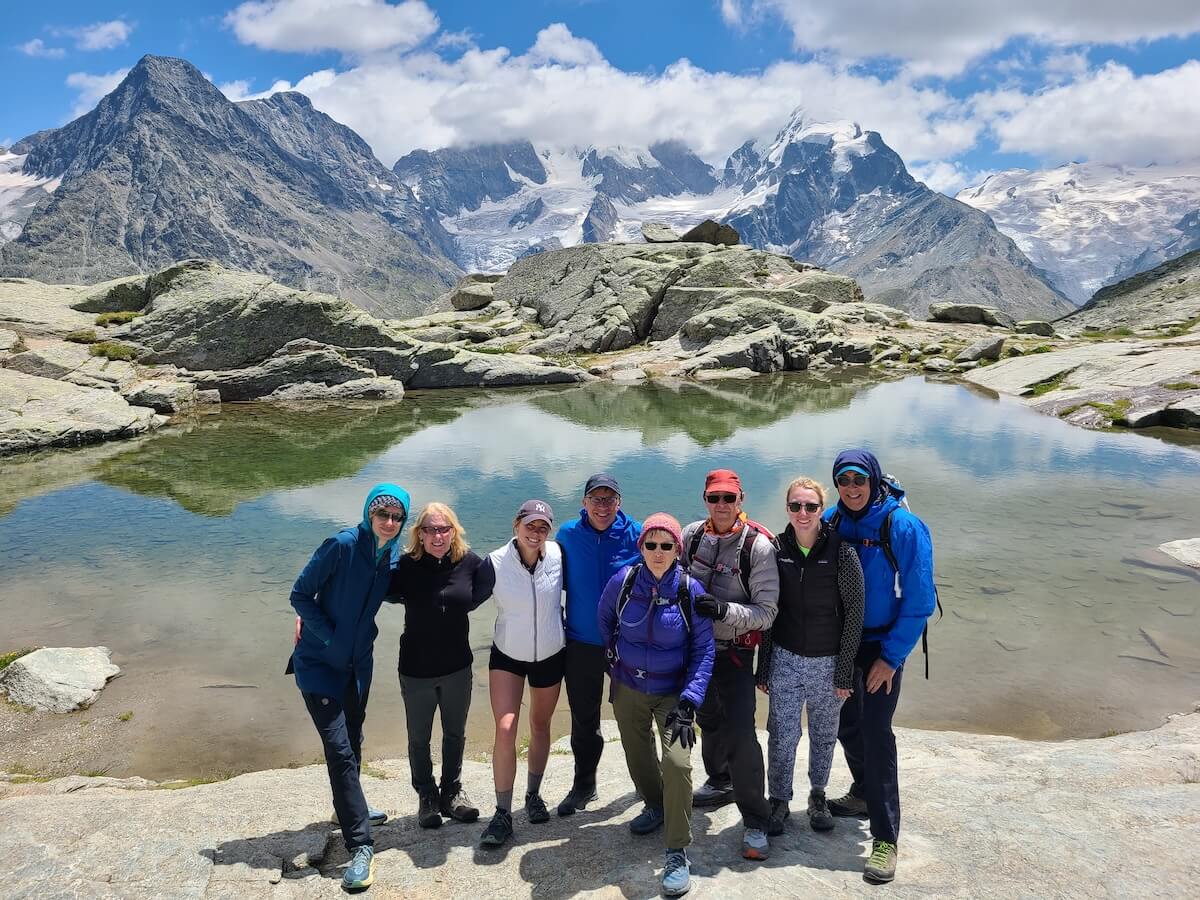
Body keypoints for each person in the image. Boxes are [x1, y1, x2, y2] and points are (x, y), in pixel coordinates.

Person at [287, 483, 409, 892]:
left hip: (358, 665)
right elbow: (300, 594)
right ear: (368, 513)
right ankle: (360, 845)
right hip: (319, 664)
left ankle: (346, 808)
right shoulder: (341, 545)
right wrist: (329, 638)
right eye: (382, 514)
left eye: (397, 517)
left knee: (353, 738)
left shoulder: (388, 557)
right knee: (339, 749)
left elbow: (405, 588)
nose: (389, 522)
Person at [824, 449, 936, 885]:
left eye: (859, 480)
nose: (852, 488)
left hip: (882, 645)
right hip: (842, 643)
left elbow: (920, 600)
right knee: (843, 723)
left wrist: (891, 659)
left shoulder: (902, 526)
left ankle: (885, 837)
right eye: (844, 480)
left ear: (873, 481)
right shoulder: (832, 519)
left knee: (875, 732)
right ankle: (863, 791)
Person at [599, 513, 714, 897]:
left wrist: (690, 701)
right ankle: (656, 805)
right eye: (651, 545)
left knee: (678, 762)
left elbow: (704, 650)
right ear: (641, 547)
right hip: (629, 687)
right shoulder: (623, 582)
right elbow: (605, 621)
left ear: (677, 549)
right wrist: (616, 662)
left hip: (673, 693)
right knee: (637, 756)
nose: (658, 552)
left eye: (667, 545)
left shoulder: (689, 590)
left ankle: (677, 849)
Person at [757, 477, 864, 837]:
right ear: (787, 508)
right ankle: (779, 800)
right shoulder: (775, 549)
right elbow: (769, 610)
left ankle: (818, 796)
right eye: (795, 506)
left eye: (811, 506)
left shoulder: (842, 551)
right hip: (785, 658)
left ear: (822, 509)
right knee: (781, 735)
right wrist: (763, 666)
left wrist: (845, 670)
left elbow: (855, 614)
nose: (803, 513)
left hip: (828, 662)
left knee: (824, 734)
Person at [681, 469, 779, 861]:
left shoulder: (758, 546)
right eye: (714, 498)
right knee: (708, 721)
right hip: (695, 651)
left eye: (728, 498)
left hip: (735, 653)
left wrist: (723, 610)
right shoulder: (691, 536)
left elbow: (767, 612)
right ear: (705, 499)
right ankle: (720, 781)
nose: (721, 505)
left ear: (741, 499)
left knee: (740, 733)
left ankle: (756, 819)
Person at [387, 502, 495, 829]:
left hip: (457, 666)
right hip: (415, 668)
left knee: (455, 733)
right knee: (418, 737)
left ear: (454, 532)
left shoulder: (470, 563)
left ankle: (452, 792)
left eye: (444, 529)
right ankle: (426, 795)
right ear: (419, 534)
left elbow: (487, 587)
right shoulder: (405, 567)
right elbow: (373, 589)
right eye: (430, 530)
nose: (438, 536)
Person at [479, 499, 566, 848]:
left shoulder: (558, 555)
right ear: (516, 525)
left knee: (540, 725)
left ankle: (533, 795)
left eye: (543, 527)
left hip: (550, 654)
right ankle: (502, 813)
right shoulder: (494, 562)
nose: (536, 532)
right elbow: (460, 594)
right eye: (530, 525)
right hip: (508, 655)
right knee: (505, 728)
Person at [554, 473, 642, 816]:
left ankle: (647, 783)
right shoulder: (567, 535)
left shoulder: (637, 535)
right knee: (584, 719)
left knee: (635, 716)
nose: (602, 506)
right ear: (584, 502)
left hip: (628, 644)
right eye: (596, 499)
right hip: (582, 642)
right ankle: (583, 785)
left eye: (609, 499)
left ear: (619, 502)